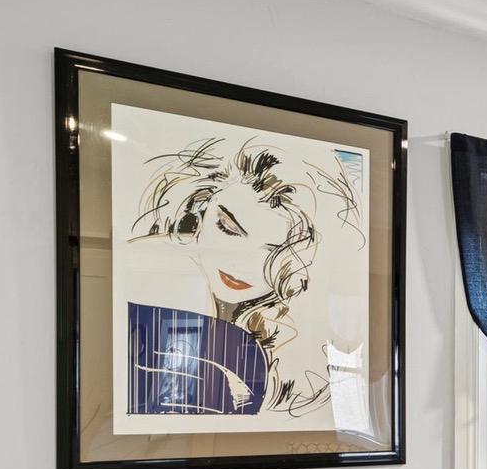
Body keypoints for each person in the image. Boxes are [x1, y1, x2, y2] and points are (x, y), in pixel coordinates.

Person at [124, 135, 356, 417]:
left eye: (273, 253)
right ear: (201, 207)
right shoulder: (143, 279)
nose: (242, 264)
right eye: (228, 228)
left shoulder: (300, 337)